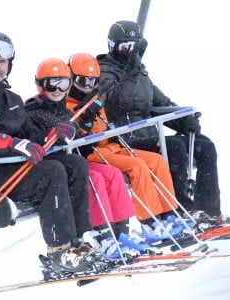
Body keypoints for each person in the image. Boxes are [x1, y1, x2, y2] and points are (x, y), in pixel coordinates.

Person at [0, 31, 101, 272]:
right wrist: (2, 142)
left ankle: (80, 241)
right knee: (52, 171)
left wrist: (52, 136)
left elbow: (31, 136)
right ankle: (58, 251)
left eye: (1, 62)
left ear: (9, 65)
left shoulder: (11, 99)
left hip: (14, 173)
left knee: (74, 164)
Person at [96, 20, 230, 225]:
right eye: (125, 47)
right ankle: (182, 209)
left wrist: (184, 121)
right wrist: (131, 69)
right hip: (125, 140)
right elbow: (115, 103)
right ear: (112, 46)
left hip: (151, 135)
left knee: (204, 146)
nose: (130, 52)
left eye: (134, 47)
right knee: (175, 147)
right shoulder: (104, 72)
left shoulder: (140, 73)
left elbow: (160, 103)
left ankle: (210, 211)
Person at [24, 57, 152, 260]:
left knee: (112, 175)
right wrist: (53, 137)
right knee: (96, 179)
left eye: (63, 83)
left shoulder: (63, 110)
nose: (57, 89)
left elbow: (83, 141)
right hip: (60, 166)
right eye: (51, 84)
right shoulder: (33, 111)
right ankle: (102, 235)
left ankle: (121, 231)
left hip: (77, 161)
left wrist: (85, 126)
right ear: (40, 85)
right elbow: (34, 136)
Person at [66, 52, 186, 242]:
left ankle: (168, 213)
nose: (87, 86)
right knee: (137, 167)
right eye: (82, 81)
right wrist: (86, 119)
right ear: (70, 79)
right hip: (94, 154)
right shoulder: (69, 105)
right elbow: (79, 140)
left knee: (156, 161)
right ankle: (149, 220)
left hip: (112, 146)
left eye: (92, 81)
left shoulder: (95, 100)